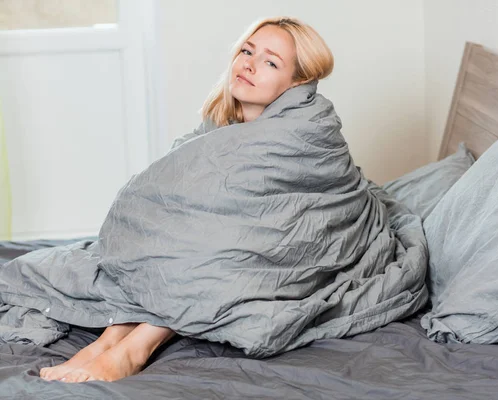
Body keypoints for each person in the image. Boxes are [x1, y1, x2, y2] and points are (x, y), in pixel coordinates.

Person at [39, 16, 334, 383]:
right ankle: (108, 340)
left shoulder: (307, 136)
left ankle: (135, 350)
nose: (249, 64)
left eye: (271, 62)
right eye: (247, 50)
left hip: (287, 236)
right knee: (169, 238)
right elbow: (171, 200)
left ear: (297, 83)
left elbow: (289, 221)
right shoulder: (215, 129)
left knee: (216, 253)